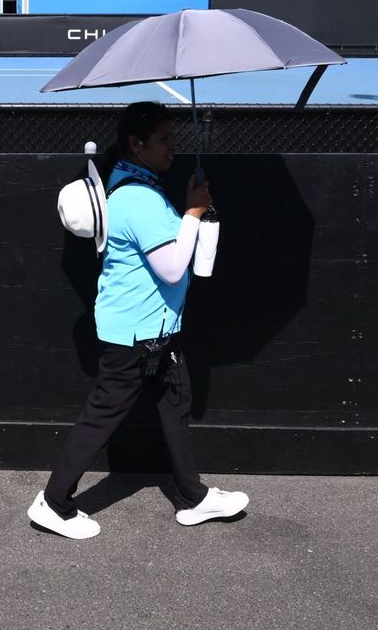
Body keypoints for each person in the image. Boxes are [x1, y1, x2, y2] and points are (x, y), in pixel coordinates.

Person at [29, 101, 249, 539]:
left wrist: (190, 211)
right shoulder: (137, 197)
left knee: (175, 406)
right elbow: (171, 268)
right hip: (137, 335)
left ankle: (193, 498)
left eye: (173, 137)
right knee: (102, 417)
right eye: (164, 139)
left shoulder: (135, 185)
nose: (173, 147)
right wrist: (192, 212)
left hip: (157, 331)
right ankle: (53, 504)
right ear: (136, 143)